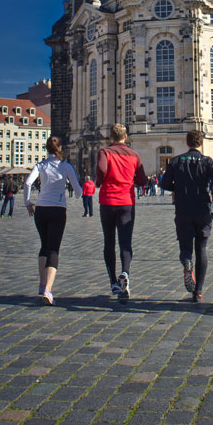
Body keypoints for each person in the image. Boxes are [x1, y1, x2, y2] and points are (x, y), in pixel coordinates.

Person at [161, 130, 213, 303]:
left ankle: (187, 261)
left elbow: (164, 183)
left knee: (185, 247)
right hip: (203, 209)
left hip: (183, 209)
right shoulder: (207, 161)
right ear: (201, 143)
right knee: (202, 249)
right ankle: (198, 292)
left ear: (187, 143)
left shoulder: (176, 161)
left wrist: (177, 187)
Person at [24, 136, 82, 305]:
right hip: (57, 209)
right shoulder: (65, 166)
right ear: (60, 148)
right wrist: (79, 194)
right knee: (54, 249)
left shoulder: (41, 165)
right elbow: (77, 190)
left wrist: (28, 203)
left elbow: (28, 183)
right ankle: (48, 290)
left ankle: (42, 285)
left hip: (41, 209)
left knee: (44, 245)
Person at [96, 124, 147, 300]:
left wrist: (98, 181)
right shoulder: (134, 155)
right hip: (127, 202)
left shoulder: (105, 152)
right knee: (126, 242)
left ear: (111, 137)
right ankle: (125, 272)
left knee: (109, 242)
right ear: (126, 137)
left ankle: (113, 283)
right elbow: (142, 179)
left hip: (108, 201)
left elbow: (102, 169)